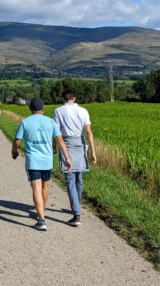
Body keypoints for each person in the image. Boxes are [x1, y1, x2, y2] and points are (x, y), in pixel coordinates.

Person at [12, 98, 72, 231]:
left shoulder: (25, 122)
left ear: (30, 109)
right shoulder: (50, 122)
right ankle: (42, 212)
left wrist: (14, 151)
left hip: (33, 161)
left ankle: (41, 220)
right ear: (43, 109)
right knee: (45, 187)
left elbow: (17, 141)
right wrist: (67, 158)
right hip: (47, 160)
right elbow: (60, 140)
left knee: (36, 188)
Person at [53, 89, 96, 227]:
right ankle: (76, 206)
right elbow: (88, 132)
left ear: (62, 99)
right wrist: (93, 152)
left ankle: (76, 215)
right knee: (79, 178)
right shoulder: (83, 111)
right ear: (74, 98)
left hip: (66, 144)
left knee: (70, 179)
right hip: (81, 143)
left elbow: (57, 132)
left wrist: (54, 146)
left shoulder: (59, 111)